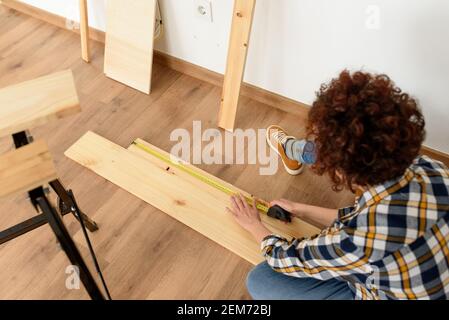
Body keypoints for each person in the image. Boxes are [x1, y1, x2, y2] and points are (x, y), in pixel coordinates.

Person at [226, 70, 449, 300]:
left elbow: (288, 259)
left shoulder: (359, 240)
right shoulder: (433, 169)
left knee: (261, 280)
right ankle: (291, 151)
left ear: (341, 171)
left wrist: (254, 226)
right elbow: (368, 215)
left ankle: (292, 151)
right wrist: (302, 209)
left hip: (382, 291)